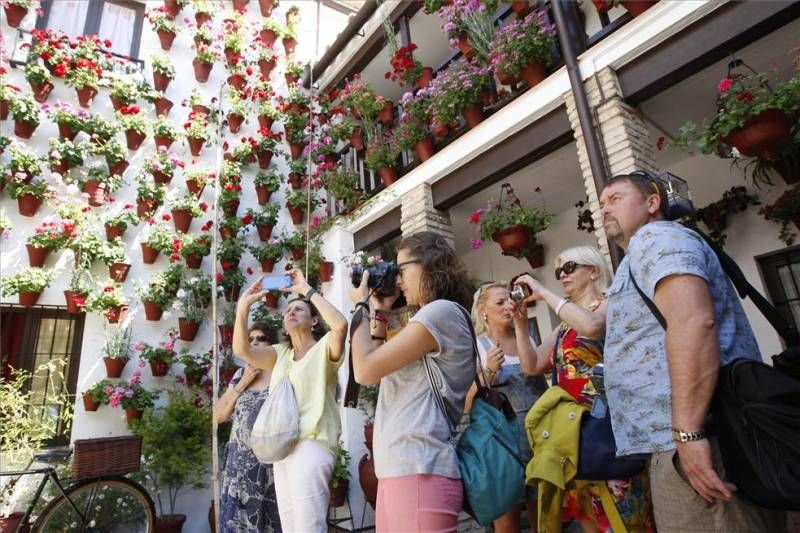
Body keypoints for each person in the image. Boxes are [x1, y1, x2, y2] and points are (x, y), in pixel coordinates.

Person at [597, 171, 786, 531]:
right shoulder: (643, 250)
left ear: (653, 203)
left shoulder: (656, 237)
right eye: (602, 203)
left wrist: (688, 433)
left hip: (701, 436)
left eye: (616, 199)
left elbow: (694, 323)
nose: (604, 209)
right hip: (687, 437)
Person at [515, 246, 655, 533]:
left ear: (592, 271)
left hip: (608, 427)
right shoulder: (565, 324)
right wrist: (519, 323)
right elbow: (531, 365)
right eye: (558, 272)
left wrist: (543, 293)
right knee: (586, 514)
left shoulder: (609, 304)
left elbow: (592, 328)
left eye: (569, 268)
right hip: (575, 433)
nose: (562, 276)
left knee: (623, 517)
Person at [349, 231, 475, 532]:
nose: (398, 280)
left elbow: (364, 370)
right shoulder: (431, 318)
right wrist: (379, 312)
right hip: (401, 471)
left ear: (430, 265)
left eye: (402, 269)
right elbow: (376, 370)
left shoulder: (441, 312)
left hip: (421, 470)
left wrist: (360, 307)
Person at [233, 269, 348, 532]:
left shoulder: (324, 349)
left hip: (312, 446)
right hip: (282, 449)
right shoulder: (279, 354)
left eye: (299, 309)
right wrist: (243, 306)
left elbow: (340, 325)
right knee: (291, 527)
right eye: (288, 310)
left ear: (314, 322)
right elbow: (241, 350)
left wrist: (305, 290)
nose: (290, 312)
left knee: (309, 527)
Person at [468, 282, 547, 532]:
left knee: (545, 520)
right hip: (502, 448)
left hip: (539, 440)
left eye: (509, 300)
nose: (508, 306)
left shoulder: (528, 338)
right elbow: (467, 404)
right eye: (499, 302)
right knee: (506, 523)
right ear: (483, 310)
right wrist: (488, 371)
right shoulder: (477, 347)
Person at [215, 323, 281, 533]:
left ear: (272, 345)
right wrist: (242, 383)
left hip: (268, 467)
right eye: (250, 339)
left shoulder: (280, 375)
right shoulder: (239, 375)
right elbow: (218, 416)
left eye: (260, 339)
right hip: (238, 465)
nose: (253, 343)